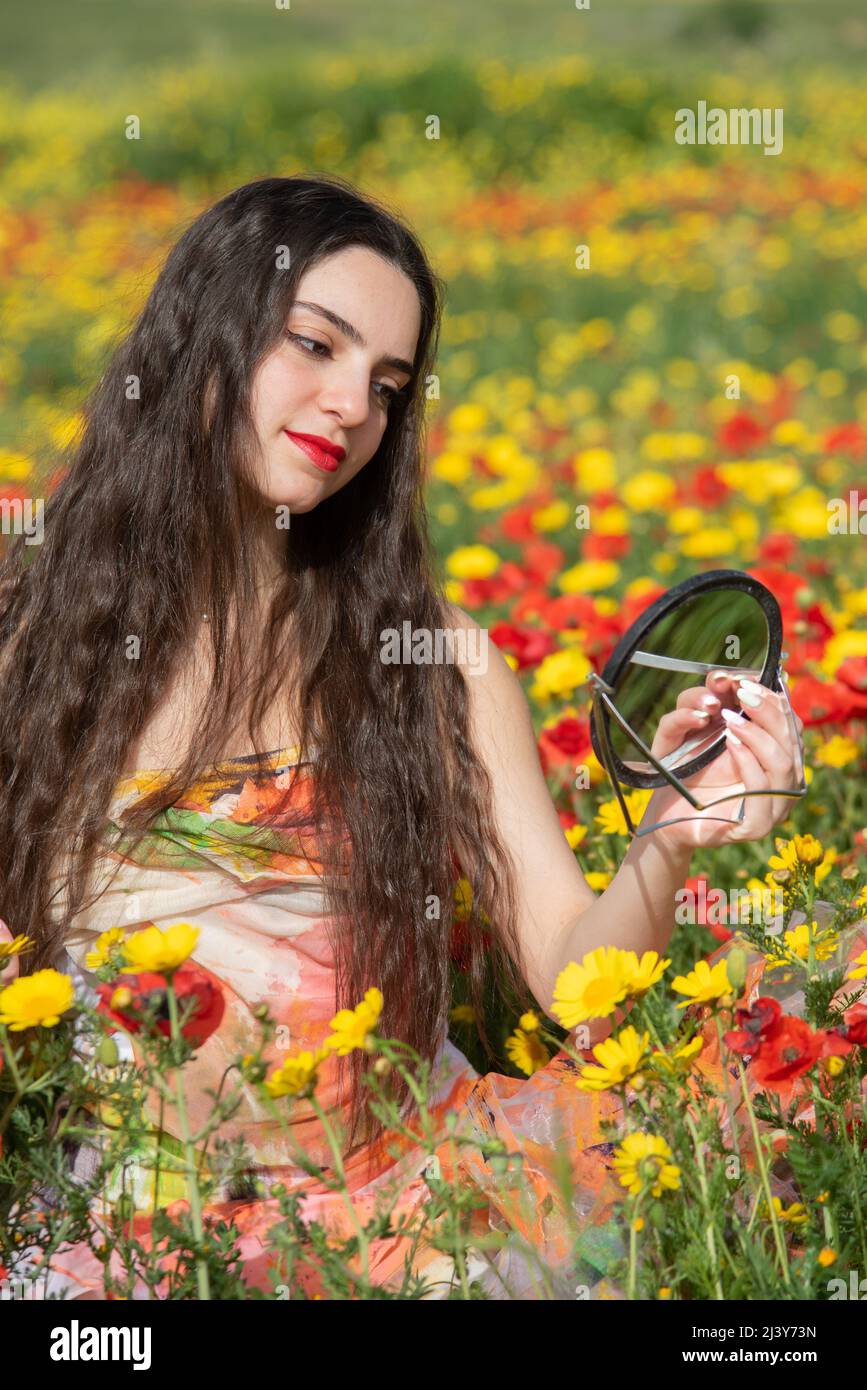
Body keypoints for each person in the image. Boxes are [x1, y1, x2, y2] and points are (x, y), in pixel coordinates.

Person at [0, 174, 805, 1300]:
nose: (350, 407)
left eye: (386, 384)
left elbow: (578, 984)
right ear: (202, 336)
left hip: (415, 1213)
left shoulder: (438, 668)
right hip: (139, 1246)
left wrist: (670, 834)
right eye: (314, 345)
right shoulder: (31, 644)